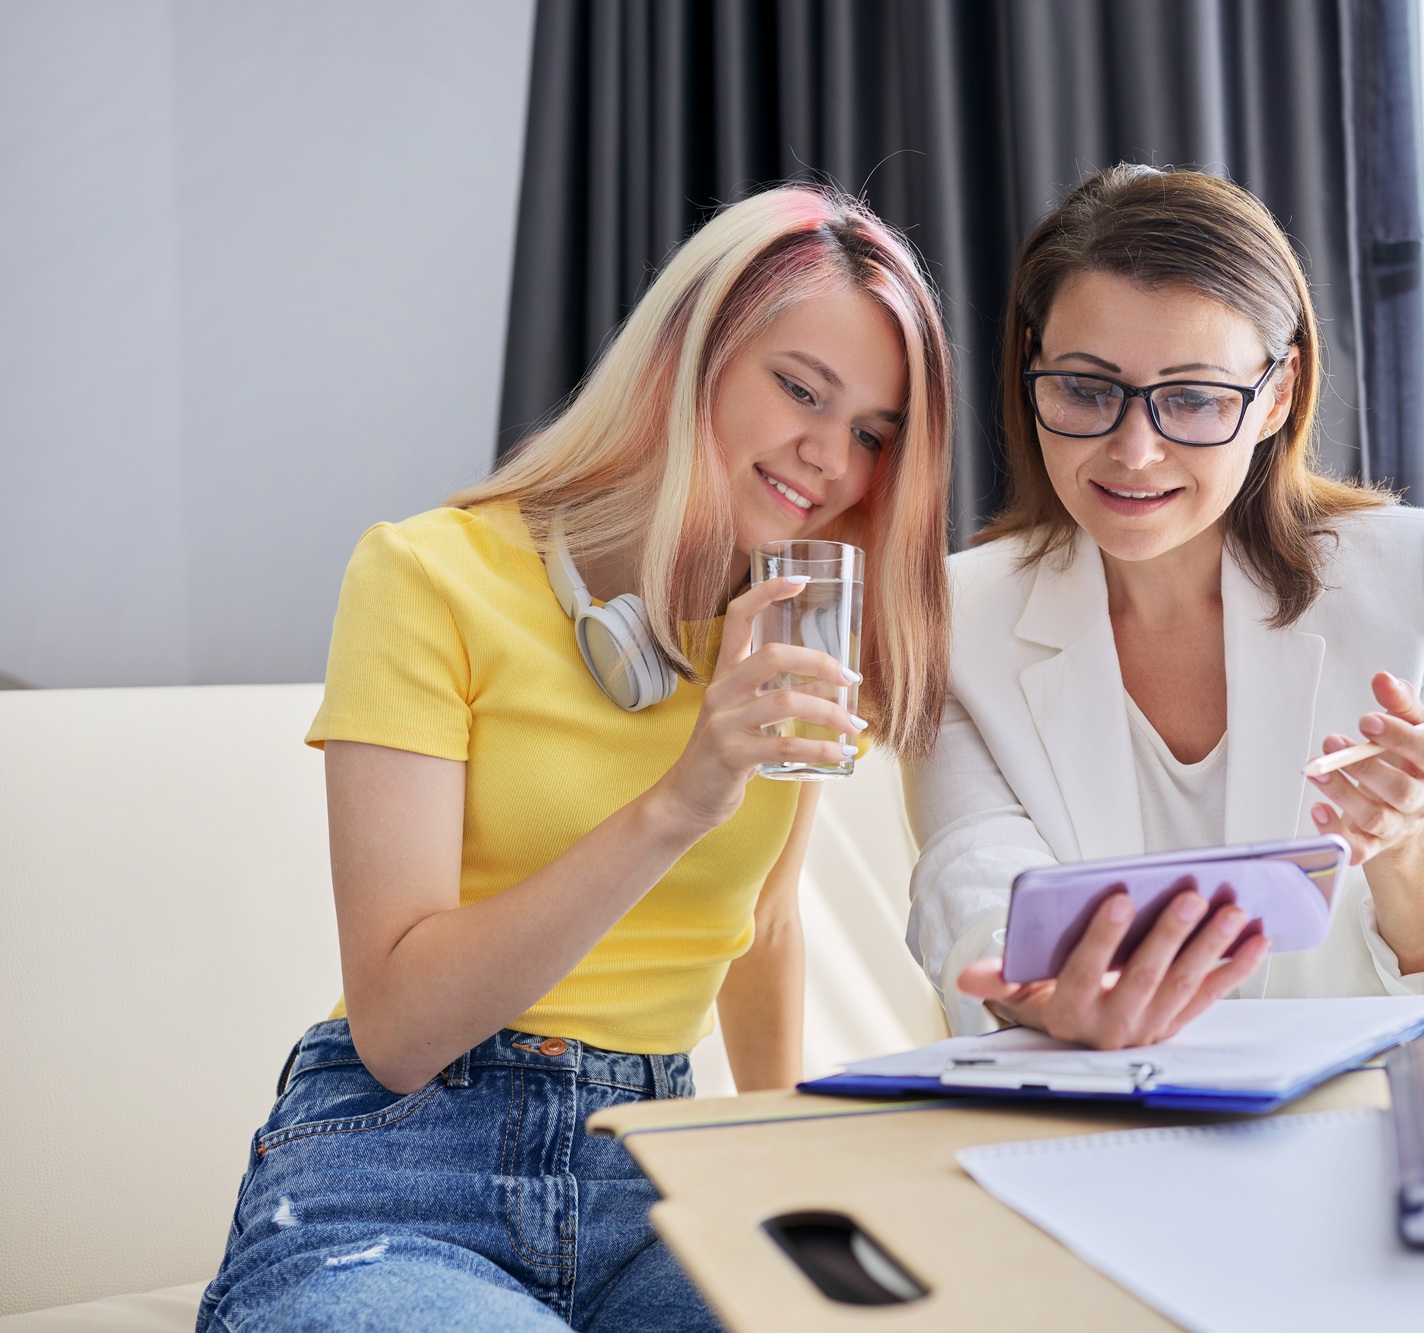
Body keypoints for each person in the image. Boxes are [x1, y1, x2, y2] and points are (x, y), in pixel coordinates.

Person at [196, 186, 953, 1332]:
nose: (828, 456)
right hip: (405, 1170)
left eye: (871, 434)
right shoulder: (427, 578)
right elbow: (399, 1031)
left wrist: (795, 1165)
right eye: (799, 389)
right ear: (684, 356)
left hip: (658, 1170)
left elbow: (766, 927)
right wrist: (681, 796)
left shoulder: (776, 624)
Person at [904, 164, 1424, 1046]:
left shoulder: (1416, 577)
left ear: (1276, 396)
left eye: (1194, 399)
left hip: (1372, 1127)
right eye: (1088, 390)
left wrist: (1408, 843)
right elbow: (978, 902)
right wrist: (1041, 992)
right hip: (1099, 1129)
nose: (1135, 451)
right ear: (1031, 370)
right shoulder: (954, 614)